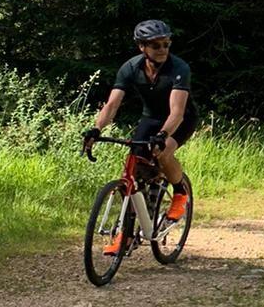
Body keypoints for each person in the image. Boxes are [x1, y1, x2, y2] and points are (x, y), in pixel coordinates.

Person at [83, 18, 197, 255]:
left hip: (180, 119)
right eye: (156, 45)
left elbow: (176, 111)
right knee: (133, 172)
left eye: (166, 44)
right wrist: (96, 129)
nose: (163, 50)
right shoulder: (131, 68)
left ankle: (180, 193)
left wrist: (163, 135)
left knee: (163, 152)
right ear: (142, 47)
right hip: (151, 118)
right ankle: (126, 234)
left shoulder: (179, 68)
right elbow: (112, 104)